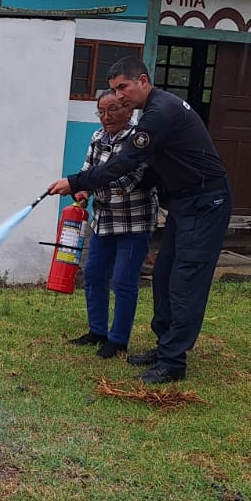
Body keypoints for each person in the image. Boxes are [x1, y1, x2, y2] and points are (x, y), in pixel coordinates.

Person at [48, 55, 230, 383]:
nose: (118, 96)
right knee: (163, 275)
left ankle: (173, 362)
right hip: (185, 203)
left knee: (185, 280)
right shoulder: (155, 112)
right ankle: (164, 348)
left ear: (143, 81)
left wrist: (75, 182)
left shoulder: (160, 113)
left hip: (207, 202)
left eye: (123, 88)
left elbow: (128, 161)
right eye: (114, 89)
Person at [67, 91, 156, 359]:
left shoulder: (139, 139)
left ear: (128, 110)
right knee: (93, 274)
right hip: (103, 220)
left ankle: (118, 340)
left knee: (123, 280)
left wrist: (82, 182)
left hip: (133, 221)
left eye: (113, 110)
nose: (107, 118)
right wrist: (81, 190)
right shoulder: (97, 138)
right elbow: (87, 171)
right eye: (101, 112)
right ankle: (97, 331)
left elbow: (125, 183)